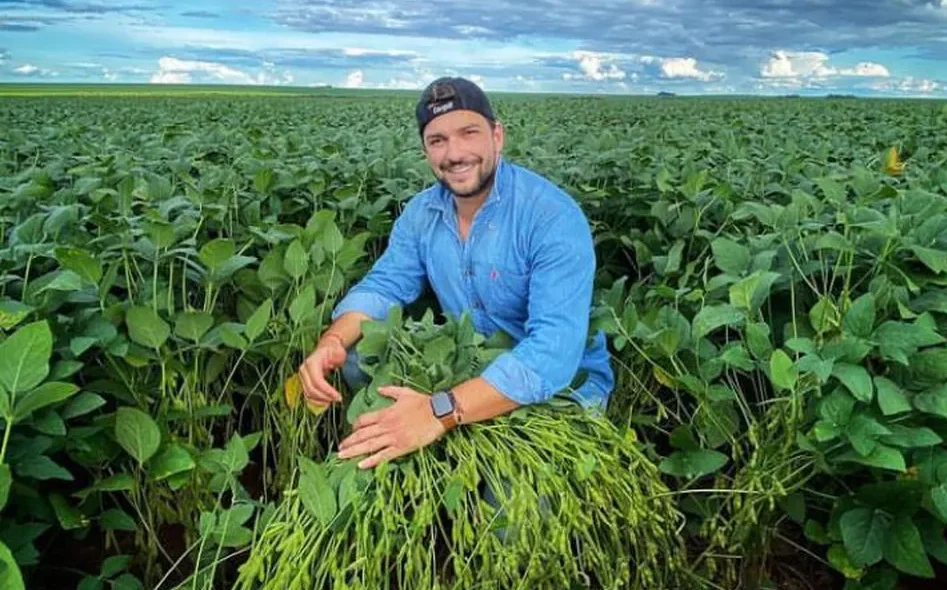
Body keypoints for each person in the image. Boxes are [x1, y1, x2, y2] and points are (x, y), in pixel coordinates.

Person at [297, 76, 614, 469]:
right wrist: (331, 341)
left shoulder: (551, 216)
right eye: (438, 140)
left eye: (469, 133)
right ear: (425, 150)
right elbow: (385, 286)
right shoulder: (422, 213)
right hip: (470, 362)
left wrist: (438, 411)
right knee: (354, 354)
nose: (455, 153)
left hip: (562, 386)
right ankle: (409, 452)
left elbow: (552, 351)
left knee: (506, 494)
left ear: (497, 136)